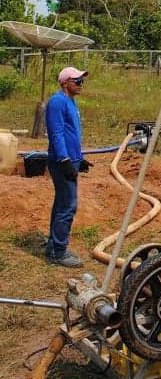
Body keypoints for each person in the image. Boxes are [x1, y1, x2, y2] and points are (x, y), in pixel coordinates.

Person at [44, 66, 93, 267]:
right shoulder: (57, 102)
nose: (81, 84)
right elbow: (56, 133)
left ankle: (53, 245)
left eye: (82, 81)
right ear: (65, 82)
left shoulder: (70, 102)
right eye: (77, 81)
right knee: (68, 205)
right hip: (61, 161)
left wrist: (78, 159)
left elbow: (71, 133)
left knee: (62, 203)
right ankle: (59, 251)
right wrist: (65, 160)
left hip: (70, 158)